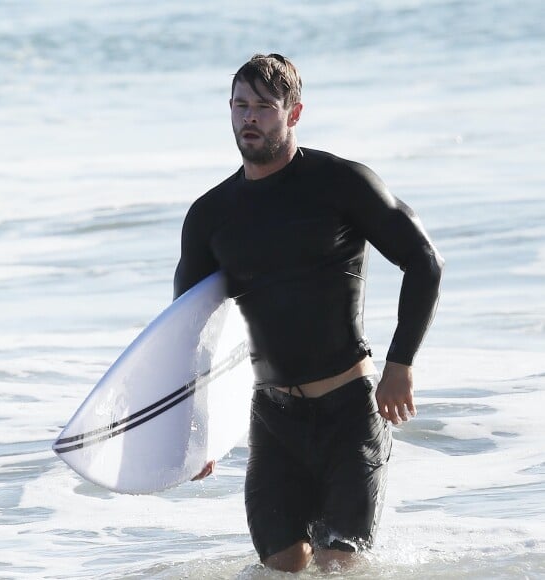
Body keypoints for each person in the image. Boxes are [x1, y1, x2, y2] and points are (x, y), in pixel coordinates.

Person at [173, 53, 444, 572]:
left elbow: (424, 262)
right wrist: (198, 429)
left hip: (350, 413)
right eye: (240, 106)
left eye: (264, 107)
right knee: (281, 567)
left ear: (293, 114)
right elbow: (189, 329)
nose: (249, 118)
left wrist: (400, 364)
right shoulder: (210, 215)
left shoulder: (340, 184)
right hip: (273, 422)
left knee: (338, 565)